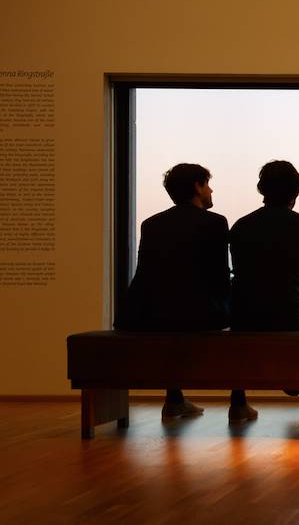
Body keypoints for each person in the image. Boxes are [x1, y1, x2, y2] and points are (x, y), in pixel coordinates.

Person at [115, 163, 230, 420]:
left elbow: (147, 274)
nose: (211, 191)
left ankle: (175, 398)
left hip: (148, 315)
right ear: (197, 187)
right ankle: (239, 401)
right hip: (197, 315)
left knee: (174, 311)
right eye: (208, 184)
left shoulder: (151, 224)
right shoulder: (215, 222)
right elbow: (220, 277)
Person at [228, 160, 299, 423]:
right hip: (288, 313)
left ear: (262, 190)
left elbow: (241, 275)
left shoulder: (240, 226)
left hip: (243, 316)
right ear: (296, 192)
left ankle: (238, 403)